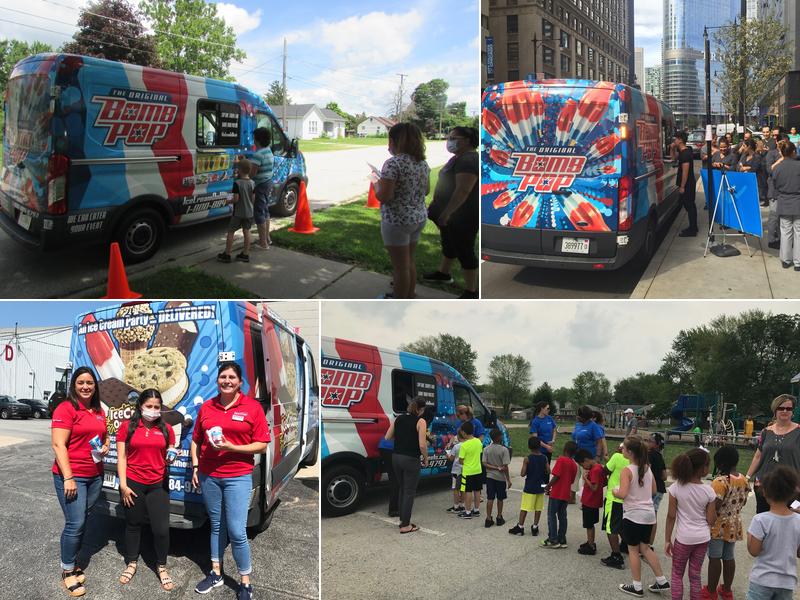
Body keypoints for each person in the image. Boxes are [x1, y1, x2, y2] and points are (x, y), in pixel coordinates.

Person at [190, 362, 270, 600]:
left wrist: (232, 447)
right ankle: (216, 573)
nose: (227, 381)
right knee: (216, 526)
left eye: (232, 377)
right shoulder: (207, 407)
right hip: (209, 475)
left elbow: (262, 445)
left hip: (238, 476)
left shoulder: (252, 407)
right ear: (217, 381)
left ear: (240, 382)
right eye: (223, 376)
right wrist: (196, 466)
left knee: (236, 530)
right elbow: (196, 440)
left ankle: (245, 583)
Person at [51, 367, 109, 598]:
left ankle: (73, 562)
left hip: (95, 475)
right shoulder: (66, 408)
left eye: (89, 383)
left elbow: (104, 436)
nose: (85, 387)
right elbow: (58, 445)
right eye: (81, 383)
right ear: (73, 385)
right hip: (72, 476)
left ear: (95, 386)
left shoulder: (98, 410)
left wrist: (105, 446)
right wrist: (68, 477)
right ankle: (67, 570)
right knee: (75, 523)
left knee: (83, 520)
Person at [116, 389, 177, 591]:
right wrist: (123, 485)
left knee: (161, 530)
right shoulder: (127, 427)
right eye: (149, 406)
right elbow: (122, 458)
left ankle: (161, 566)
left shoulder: (167, 429)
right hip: (133, 483)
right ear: (140, 406)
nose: (152, 410)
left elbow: (169, 454)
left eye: (156, 407)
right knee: (133, 524)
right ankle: (131, 562)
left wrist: (172, 457)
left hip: (158, 485)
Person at [373, 122, 431, 299]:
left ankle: (398, 300)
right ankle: (410, 294)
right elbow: (426, 190)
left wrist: (376, 183)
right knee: (409, 261)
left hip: (397, 221)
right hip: (418, 218)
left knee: (400, 267)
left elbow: (384, 196)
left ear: (394, 141)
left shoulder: (393, 164)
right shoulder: (422, 163)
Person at [424, 126, 479, 299]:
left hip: (462, 216)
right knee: (449, 243)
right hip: (450, 214)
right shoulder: (458, 158)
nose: (449, 141)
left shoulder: (469, 160)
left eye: (454, 138)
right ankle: (444, 273)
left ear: (467, 141)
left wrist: (447, 212)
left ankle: (471, 291)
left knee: (464, 249)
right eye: (449, 137)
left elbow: (463, 190)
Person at [613, 437, 671, 596]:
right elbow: (653, 491)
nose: (622, 449)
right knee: (645, 548)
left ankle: (637, 586)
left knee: (633, 550)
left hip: (633, 515)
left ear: (630, 452)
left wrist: (615, 491)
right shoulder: (647, 468)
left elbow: (623, 494)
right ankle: (661, 580)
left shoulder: (627, 470)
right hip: (648, 515)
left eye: (624, 448)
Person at [665, 448, 717, 600]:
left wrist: (667, 539)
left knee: (677, 573)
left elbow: (671, 516)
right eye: (708, 465)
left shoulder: (675, 488)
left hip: (683, 538)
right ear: (702, 468)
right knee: (695, 575)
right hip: (702, 538)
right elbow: (711, 520)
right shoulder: (709, 491)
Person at [745, 466, 800, 600]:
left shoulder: (760, 520)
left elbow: (754, 551)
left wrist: (750, 536)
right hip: (787, 582)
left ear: (765, 492)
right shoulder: (798, 520)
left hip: (762, 579)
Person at [703, 445, 748, 600]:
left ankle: (710, 592)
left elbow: (714, 505)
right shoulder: (743, 479)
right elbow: (743, 502)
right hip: (734, 524)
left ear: (721, 463)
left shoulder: (720, 481)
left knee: (714, 557)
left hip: (718, 525)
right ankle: (727, 590)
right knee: (729, 557)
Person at [745, 394, 800, 514]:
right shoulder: (765, 432)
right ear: (775, 410)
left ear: (792, 411)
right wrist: (747, 477)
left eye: (788, 408)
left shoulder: (798, 431)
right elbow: (758, 456)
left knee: (790, 520)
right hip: (764, 485)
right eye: (781, 408)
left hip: (791, 486)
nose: (785, 411)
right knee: (763, 519)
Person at [384, 397, 428, 532]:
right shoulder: (421, 421)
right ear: (421, 409)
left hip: (396, 457)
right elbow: (422, 444)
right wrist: (426, 458)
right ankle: (405, 525)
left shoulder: (398, 418)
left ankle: (403, 520)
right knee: (409, 492)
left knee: (402, 488)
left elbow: (387, 437)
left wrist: (402, 438)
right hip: (411, 459)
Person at [509, 436, 549, 536]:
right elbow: (549, 471)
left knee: (525, 507)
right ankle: (535, 527)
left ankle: (520, 526)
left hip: (530, 487)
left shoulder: (528, 458)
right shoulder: (544, 458)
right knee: (538, 508)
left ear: (529, 447)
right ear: (540, 446)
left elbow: (522, 474)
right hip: (540, 486)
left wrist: (526, 464)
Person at [541, 440, 578, 548]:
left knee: (551, 515)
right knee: (562, 516)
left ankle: (553, 539)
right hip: (566, 494)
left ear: (565, 450)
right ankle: (562, 539)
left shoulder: (561, 460)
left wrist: (548, 485)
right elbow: (571, 480)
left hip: (557, 492)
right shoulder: (574, 464)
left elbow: (556, 476)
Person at [218, 158, 254, 264]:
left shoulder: (237, 183)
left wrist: (227, 201)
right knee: (246, 231)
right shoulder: (252, 183)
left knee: (231, 231)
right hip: (249, 212)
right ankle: (245, 254)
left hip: (238, 213)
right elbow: (253, 198)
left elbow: (236, 199)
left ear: (239, 170)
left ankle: (227, 254)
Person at [771, 140, 800, 270]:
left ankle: (786, 260)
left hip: (784, 201)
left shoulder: (778, 167)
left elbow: (775, 184)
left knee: (786, 232)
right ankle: (798, 262)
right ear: (793, 152)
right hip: (798, 201)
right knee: (798, 233)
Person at [601, 444, 630, 570]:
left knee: (611, 527)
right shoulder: (638, 461)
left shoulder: (617, 457)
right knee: (622, 525)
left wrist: (612, 457)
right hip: (627, 500)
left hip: (614, 498)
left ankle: (616, 556)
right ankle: (628, 545)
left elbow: (605, 470)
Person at [575, 448, 607, 556]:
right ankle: (590, 541)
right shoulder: (599, 467)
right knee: (590, 524)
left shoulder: (594, 470)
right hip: (593, 500)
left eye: (582, 464)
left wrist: (585, 478)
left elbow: (594, 487)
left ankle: (591, 546)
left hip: (590, 501)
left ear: (586, 460)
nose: (583, 467)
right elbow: (604, 482)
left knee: (588, 524)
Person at [247, 127, 274, 249]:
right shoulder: (268, 151)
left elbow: (252, 174)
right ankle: (267, 238)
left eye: (254, 138)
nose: (253, 140)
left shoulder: (258, 155)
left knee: (259, 213)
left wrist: (243, 174)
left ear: (257, 140)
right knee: (265, 211)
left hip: (260, 186)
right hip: (268, 183)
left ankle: (263, 243)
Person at [483, 428, 511, 527]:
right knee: (500, 498)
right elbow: (505, 467)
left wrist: (494, 468)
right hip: (500, 478)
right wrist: (508, 480)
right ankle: (499, 517)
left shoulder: (486, 449)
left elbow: (484, 463)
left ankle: (488, 518)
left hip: (490, 476)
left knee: (490, 498)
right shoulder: (504, 450)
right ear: (499, 437)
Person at [674, 132, 698, 237]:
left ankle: (692, 229)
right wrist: (672, 148)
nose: (674, 141)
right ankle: (693, 227)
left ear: (680, 140)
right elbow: (674, 158)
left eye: (675, 139)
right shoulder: (686, 150)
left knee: (689, 205)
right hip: (688, 184)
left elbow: (685, 171)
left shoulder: (685, 154)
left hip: (688, 184)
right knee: (688, 204)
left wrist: (682, 186)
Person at [457, 419, 483, 519]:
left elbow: (461, 460)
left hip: (468, 472)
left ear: (463, 432)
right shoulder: (478, 442)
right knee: (477, 491)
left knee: (468, 491)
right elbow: (479, 454)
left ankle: (467, 512)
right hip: (478, 470)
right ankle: (476, 510)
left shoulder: (464, 445)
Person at [764, 133, 785, 249]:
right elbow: (769, 170)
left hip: (786, 190)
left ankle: (782, 239)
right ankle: (772, 240)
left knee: (783, 217)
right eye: (781, 142)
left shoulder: (791, 154)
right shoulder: (771, 153)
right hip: (774, 190)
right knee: (774, 216)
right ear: (777, 142)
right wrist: (781, 159)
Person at [647, 433, 667, 547]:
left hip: (651, 489)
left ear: (657, 444)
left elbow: (647, 471)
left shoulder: (649, 455)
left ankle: (645, 542)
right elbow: (664, 476)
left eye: (650, 441)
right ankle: (650, 543)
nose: (648, 442)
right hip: (660, 489)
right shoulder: (660, 456)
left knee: (647, 516)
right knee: (653, 515)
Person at [378, 436, 399, 517]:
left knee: (393, 477)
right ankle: (393, 510)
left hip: (383, 446)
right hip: (391, 448)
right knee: (396, 479)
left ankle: (395, 508)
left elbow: (387, 436)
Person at [445, 429, 466, 513]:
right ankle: (462, 505)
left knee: (455, 489)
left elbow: (451, 458)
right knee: (463, 488)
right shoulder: (467, 445)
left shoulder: (456, 446)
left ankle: (456, 506)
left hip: (456, 470)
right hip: (465, 469)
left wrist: (447, 454)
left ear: (458, 437)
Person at [755, 138, 769, 207]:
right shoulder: (757, 153)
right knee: (761, 185)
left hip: (763, 171)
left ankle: (765, 200)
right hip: (760, 171)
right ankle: (763, 199)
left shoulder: (765, 152)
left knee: (764, 185)